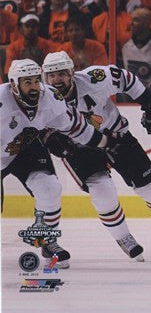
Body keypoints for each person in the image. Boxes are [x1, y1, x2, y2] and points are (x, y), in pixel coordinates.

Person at [42, 51, 151, 254]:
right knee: (104, 194)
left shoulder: (93, 79)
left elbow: (125, 78)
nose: (56, 80)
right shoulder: (42, 100)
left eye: (60, 74)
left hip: (117, 137)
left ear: (71, 72)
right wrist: (52, 141)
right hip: (80, 150)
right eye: (51, 75)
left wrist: (150, 103)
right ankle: (124, 237)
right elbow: (35, 127)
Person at [1, 59, 118, 267]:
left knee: (50, 188)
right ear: (13, 85)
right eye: (27, 82)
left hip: (27, 149)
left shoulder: (51, 98)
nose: (34, 87)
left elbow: (76, 126)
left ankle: (48, 241)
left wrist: (105, 142)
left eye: (36, 81)